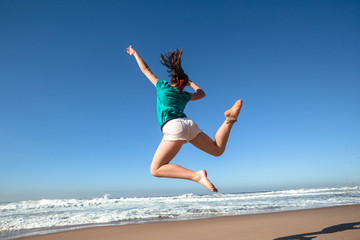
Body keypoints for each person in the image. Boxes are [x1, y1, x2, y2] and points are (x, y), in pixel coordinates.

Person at [127, 45, 242, 192]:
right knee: (217, 150)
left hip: (174, 126)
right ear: (183, 83)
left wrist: (135, 53)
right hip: (189, 125)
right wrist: (190, 83)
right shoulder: (184, 95)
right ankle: (229, 120)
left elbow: (146, 70)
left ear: (172, 80)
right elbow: (201, 94)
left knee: (156, 169)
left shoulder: (162, 87)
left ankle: (197, 176)